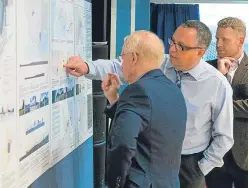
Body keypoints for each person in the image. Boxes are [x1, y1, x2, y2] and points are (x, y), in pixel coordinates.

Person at [64, 20, 234, 188]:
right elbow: (119, 67)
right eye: (172, 41)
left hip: (190, 164)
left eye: (181, 46)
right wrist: (87, 67)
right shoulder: (159, 63)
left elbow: (224, 137)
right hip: (150, 161)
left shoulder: (217, 84)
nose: (173, 49)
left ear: (200, 52)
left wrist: (200, 169)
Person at [98, 31, 188, 187]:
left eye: (122, 57)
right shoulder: (173, 89)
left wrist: (116, 184)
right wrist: (114, 98)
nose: (121, 64)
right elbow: (150, 127)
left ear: (133, 58)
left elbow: (123, 144)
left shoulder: (137, 90)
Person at [206, 17, 248, 188]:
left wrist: (219, 105)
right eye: (217, 38)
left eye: (224, 39)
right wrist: (220, 77)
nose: (218, 44)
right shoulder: (207, 70)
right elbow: (203, 105)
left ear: (241, 40)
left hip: (244, 156)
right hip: (214, 156)